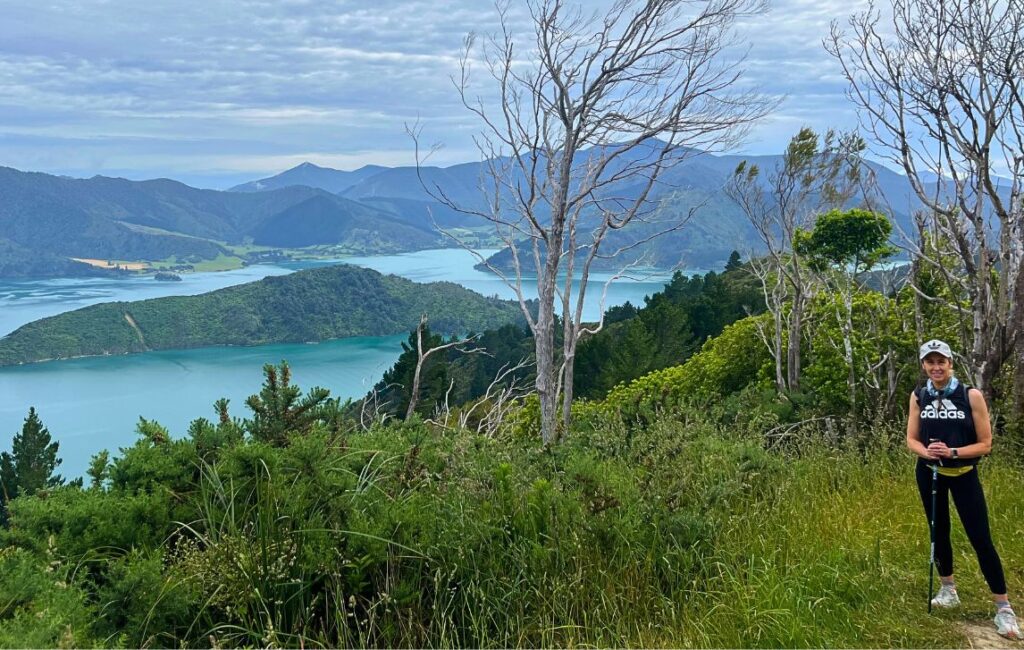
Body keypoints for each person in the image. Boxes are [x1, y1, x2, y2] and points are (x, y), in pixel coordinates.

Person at [906, 339, 1020, 640]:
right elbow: (911, 438)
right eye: (930, 362)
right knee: (938, 531)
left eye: (941, 361)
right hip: (929, 472)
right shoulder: (919, 396)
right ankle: (948, 589)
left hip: (964, 473)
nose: (936, 367)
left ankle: (1003, 607)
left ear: (950, 362)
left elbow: (986, 444)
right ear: (924, 365)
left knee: (980, 537)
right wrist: (925, 452)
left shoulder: (970, 395)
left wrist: (953, 452)